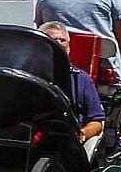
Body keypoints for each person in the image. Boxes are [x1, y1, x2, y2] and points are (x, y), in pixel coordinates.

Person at [40, 21, 106, 149]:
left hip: (69, 143)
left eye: (62, 40)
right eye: (53, 40)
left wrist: (82, 134)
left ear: (69, 47)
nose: (59, 44)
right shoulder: (31, 76)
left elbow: (97, 121)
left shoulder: (81, 79)